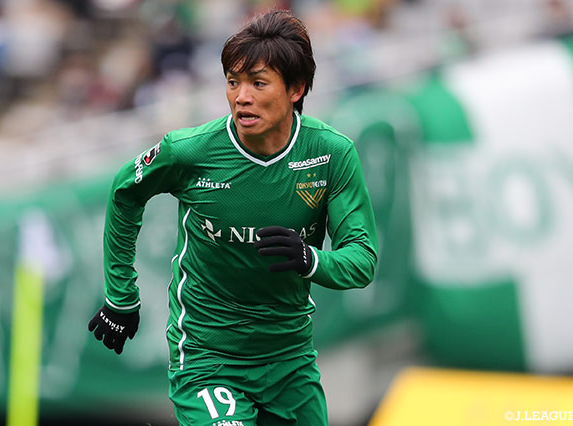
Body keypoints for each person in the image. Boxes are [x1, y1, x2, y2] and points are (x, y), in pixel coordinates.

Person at [88, 9, 378, 426]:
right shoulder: (189, 151)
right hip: (208, 356)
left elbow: (362, 259)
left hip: (290, 359)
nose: (241, 96)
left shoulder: (330, 153)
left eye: (258, 83)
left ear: (296, 89)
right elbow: (124, 191)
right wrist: (120, 295)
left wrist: (311, 259)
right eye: (232, 82)